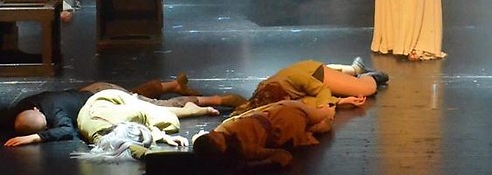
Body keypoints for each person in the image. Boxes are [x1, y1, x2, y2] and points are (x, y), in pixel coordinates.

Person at [2, 74, 245, 147]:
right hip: (94, 90)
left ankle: (210, 100)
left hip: (101, 97)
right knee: (135, 93)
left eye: (46, 122)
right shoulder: (24, 106)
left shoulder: (54, 111)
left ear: (39, 111)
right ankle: (172, 85)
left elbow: (66, 130)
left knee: (152, 106)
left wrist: (36, 137)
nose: (50, 123)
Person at [75, 89, 217, 160]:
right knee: (162, 118)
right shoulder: (99, 136)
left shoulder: (131, 115)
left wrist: (162, 136)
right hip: (95, 107)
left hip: (112, 97)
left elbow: (143, 115)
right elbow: (131, 148)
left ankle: (190, 110)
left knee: (171, 123)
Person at [192, 99, 335, 168]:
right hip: (281, 120)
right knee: (322, 114)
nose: (213, 132)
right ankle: (327, 112)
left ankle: (321, 116)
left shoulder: (223, 132)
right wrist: (262, 162)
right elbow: (283, 156)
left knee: (312, 114)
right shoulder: (246, 149)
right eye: (215, 137)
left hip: (271, 113)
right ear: (223, 148)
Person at [232, 58, 388, 116]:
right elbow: (236, 101)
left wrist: (327, 106)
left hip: (313, 73)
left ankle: (371, 76)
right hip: (302, 74)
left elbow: (321, 90)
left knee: (365, 90)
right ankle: (355, 68)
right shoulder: (260, 97)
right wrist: (219, 100)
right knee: (339, 81)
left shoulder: (294, 79)